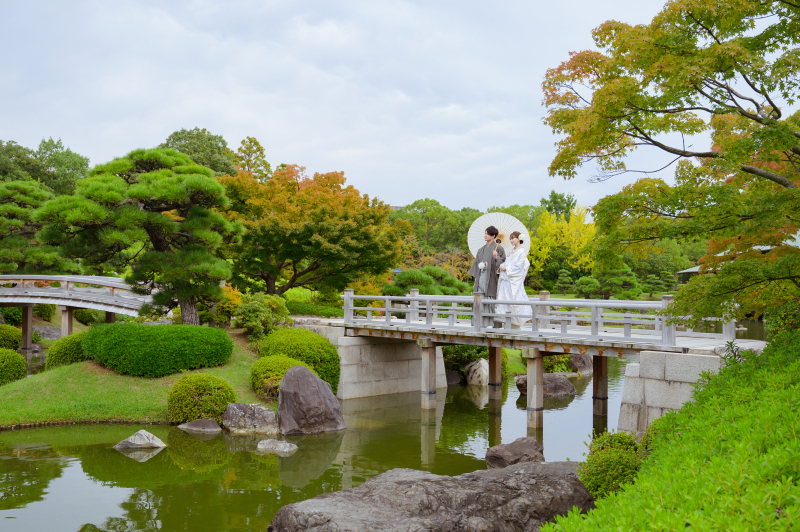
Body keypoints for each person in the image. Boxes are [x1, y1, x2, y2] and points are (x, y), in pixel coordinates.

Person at [469, 226, 507, 327]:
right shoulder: (480, 250)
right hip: (481, 277)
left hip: (491, 279)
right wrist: (475, 282)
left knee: (490, 298)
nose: (485, 235)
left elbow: (503, 264)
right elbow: (476, 266)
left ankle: (493, 323)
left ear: (493, 235)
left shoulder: (498, 248)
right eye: (485, 233)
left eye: (487, 233)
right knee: (479, 296)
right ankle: (479, 322)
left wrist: (496, 258)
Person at [495, 231, 532, 327]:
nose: (511, 240)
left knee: (514, 300)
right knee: (505, 301)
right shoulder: (511, 252)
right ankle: (506, 322)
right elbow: (507, 263)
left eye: (513, 238)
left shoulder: (521, 252)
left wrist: (507, 268)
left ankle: (515, 324)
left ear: (519, 239)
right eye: (510, 238)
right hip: (506, 280)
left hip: (513, 281)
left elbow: (519, 267)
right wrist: (502, 266)